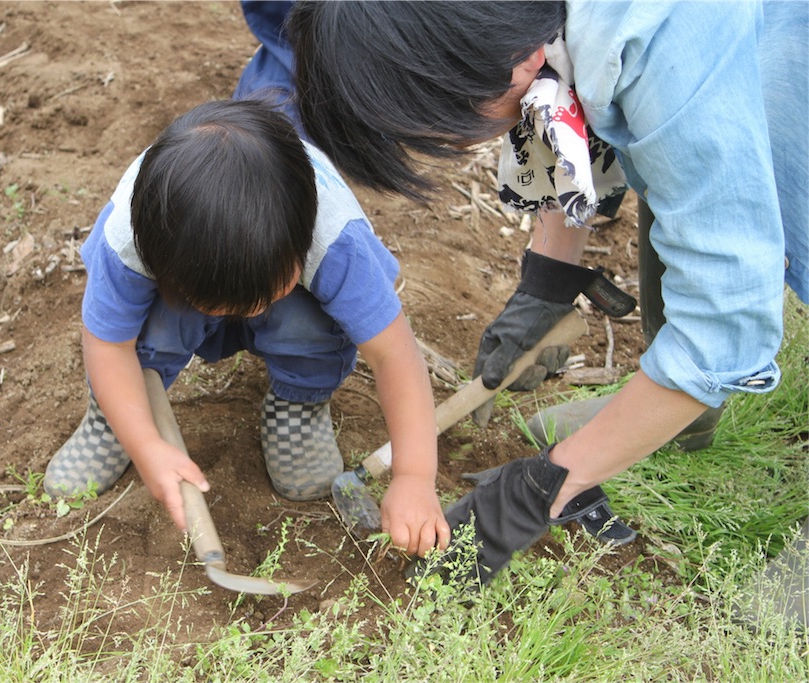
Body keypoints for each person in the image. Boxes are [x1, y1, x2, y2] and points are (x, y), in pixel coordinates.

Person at [286, 0, 808, 598]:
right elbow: (567, 116)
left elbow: (725, 323)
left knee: (712, 244)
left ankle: (667, 410)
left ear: (513, 61)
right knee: (683, 211)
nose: (446, 143)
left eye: (439, 130)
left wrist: (545, 485)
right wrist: (548, 281)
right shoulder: (518, 29)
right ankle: (669, 414)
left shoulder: (659, 36)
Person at [41, 91, 451, 557]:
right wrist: (146, 446)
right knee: (146, 336)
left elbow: (394, 352)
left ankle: (299, 402)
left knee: (313, 323)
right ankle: (116, 418)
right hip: (185, 283)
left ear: (302, 245)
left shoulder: (336, 241)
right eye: (221, 304)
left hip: (290, 294)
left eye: (266, 296)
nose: (252, 315)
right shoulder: (129, 240)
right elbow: (108, 346)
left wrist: (414, 476)